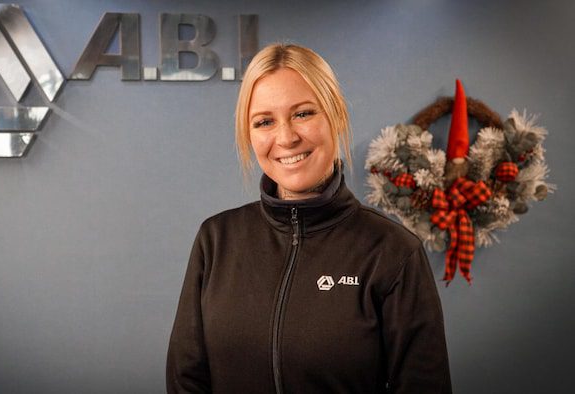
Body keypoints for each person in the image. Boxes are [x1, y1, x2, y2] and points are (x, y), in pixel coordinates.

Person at [166, 43, 452, 393]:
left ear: (336, 116)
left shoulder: (392, 251)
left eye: (303, 114)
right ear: (249, 134)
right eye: (264, 121)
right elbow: (186, 381)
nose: (286, 138)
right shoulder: (216, 239)